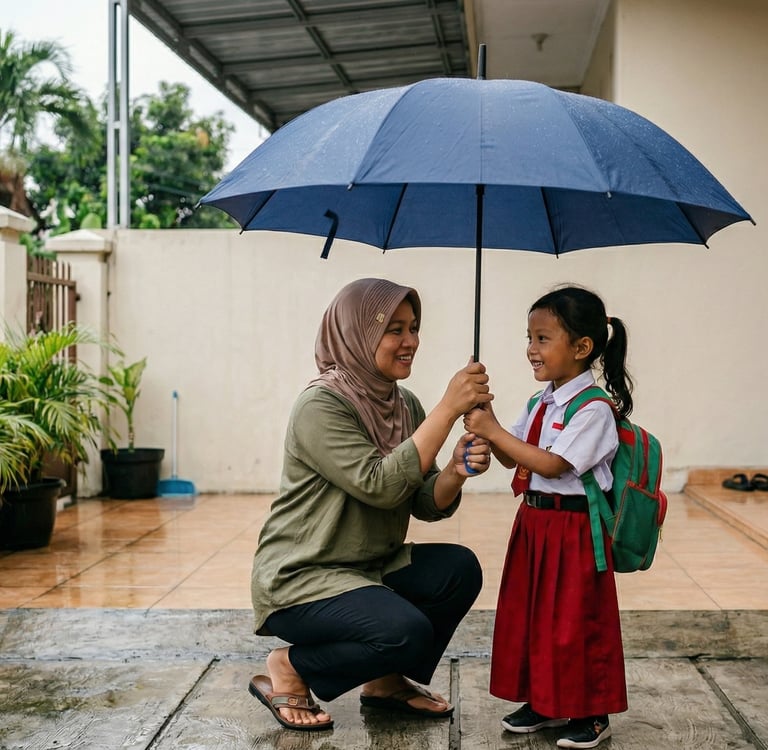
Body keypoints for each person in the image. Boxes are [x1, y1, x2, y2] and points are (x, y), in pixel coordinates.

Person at [249, 277, 494, 731]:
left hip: (368, 568)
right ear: (356, 333)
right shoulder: (320, 405)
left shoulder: (405, 405)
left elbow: (421, 499)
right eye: (394, 329)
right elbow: (378, 484)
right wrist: (447, 410)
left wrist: (456, 472)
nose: (411, 341)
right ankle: (291, 666)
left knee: (458, 570)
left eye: (414, 327)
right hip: (303, 576)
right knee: (404, 630)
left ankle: (384, 682)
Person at [464, 285, 632, 750]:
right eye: (529, 337)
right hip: (534, 525)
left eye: (542, 339)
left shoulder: (594, 409)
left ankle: (591, 712)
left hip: (575, 531)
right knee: (533, 615)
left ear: (582, 348)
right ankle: (544, 699)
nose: (530, 350)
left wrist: (493, 430)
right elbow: (511, 457)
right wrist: (484, 410)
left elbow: (554, 464)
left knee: (575, 621)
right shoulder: (541, 402)